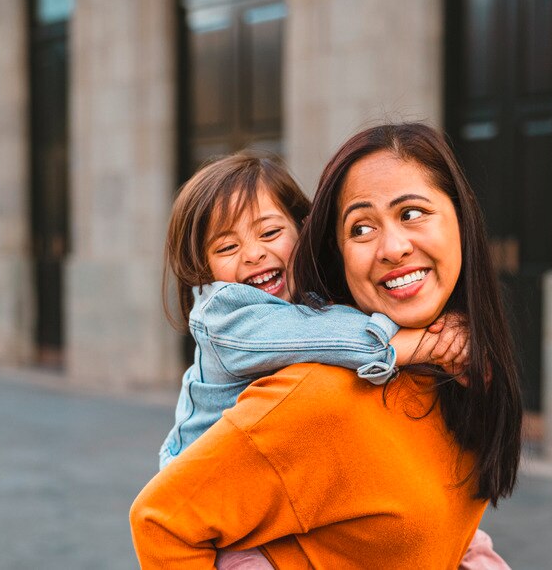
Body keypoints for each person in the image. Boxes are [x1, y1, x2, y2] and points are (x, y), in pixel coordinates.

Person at [131, 124, 523, 568]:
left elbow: (438, 524)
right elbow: (161, 519)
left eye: (412, 213)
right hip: (216, 502)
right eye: (361, 227)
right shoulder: (245, 329)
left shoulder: (444, 369)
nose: (254, 255)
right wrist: (417, 345)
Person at [157, 152, 469, 470]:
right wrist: (432, 342)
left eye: (269, 233)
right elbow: (325, 336)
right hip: (204, 487)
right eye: (226, 247)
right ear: (203, 267)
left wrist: (445, 320)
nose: (253, 254)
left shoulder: (310, 296)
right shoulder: (223, 315)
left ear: (302, 227)